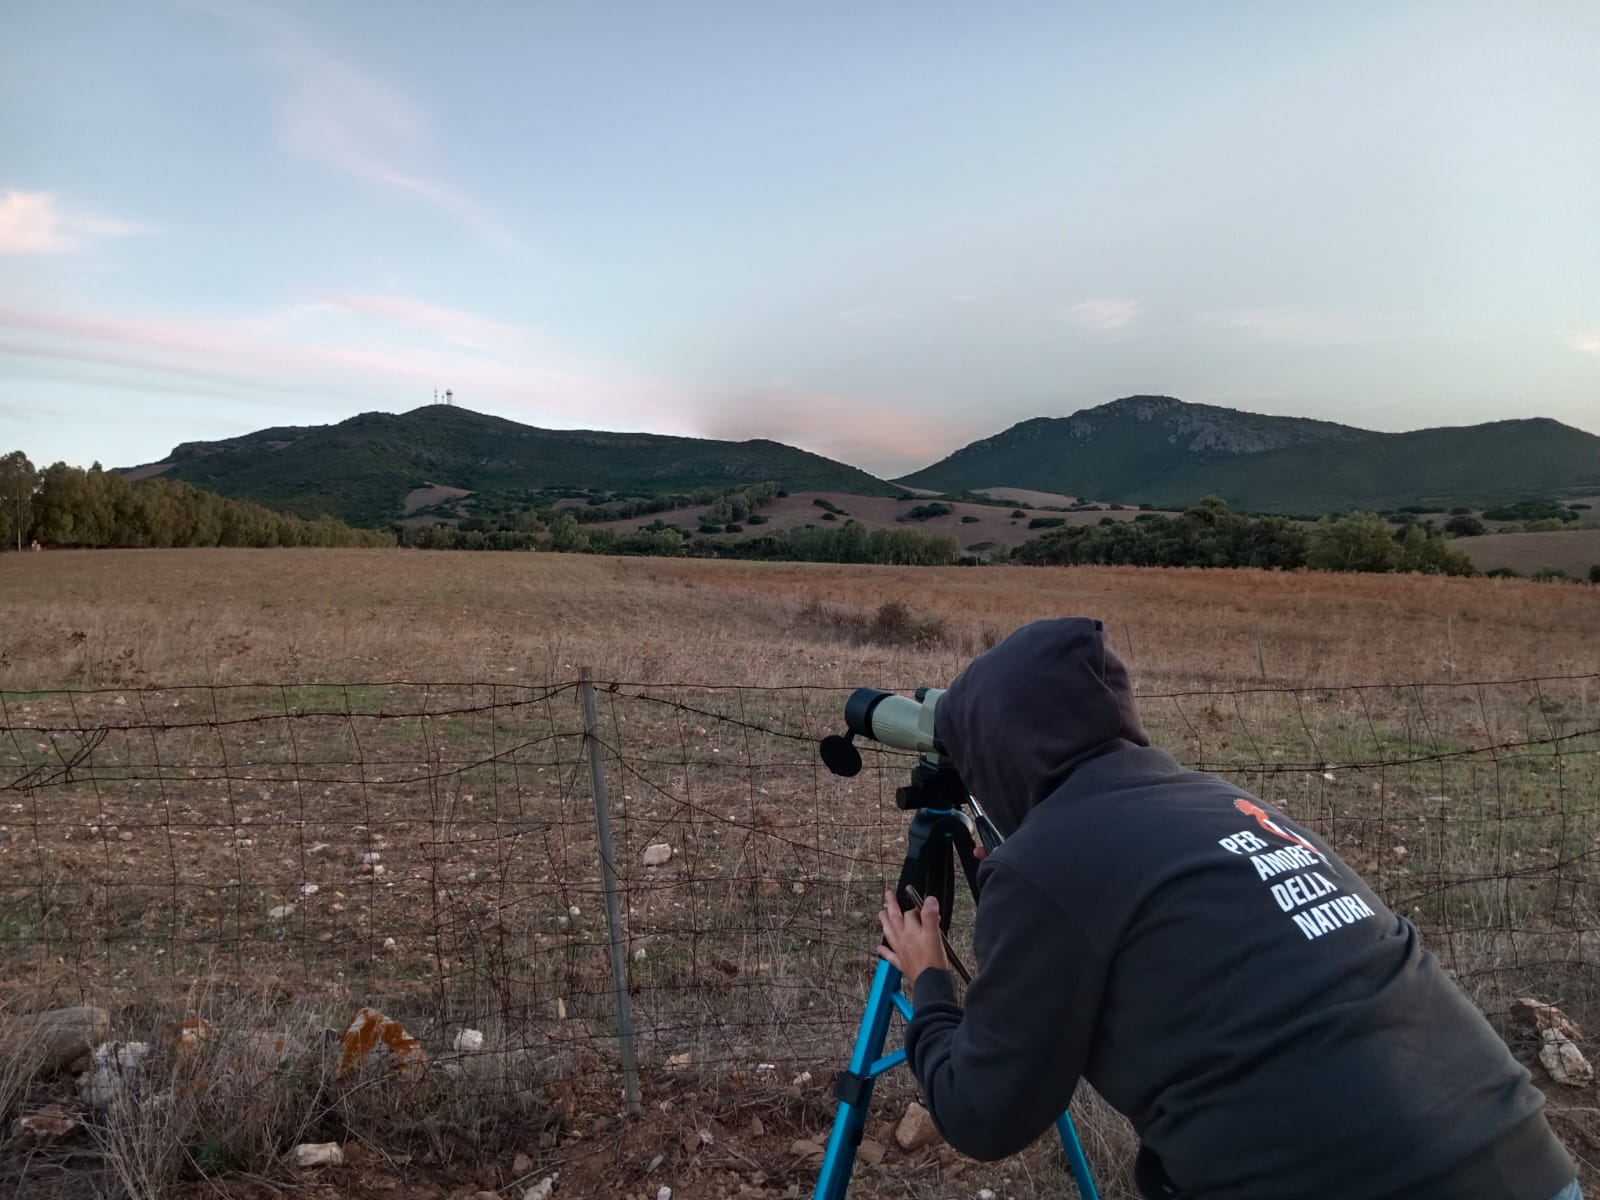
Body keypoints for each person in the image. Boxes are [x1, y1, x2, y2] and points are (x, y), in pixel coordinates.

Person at [876, 617, 1580, 1200]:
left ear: (997, 749)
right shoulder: (1228, 802)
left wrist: (930, 980)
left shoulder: (1043, 866)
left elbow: (983, 1115)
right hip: (1524, 1160)